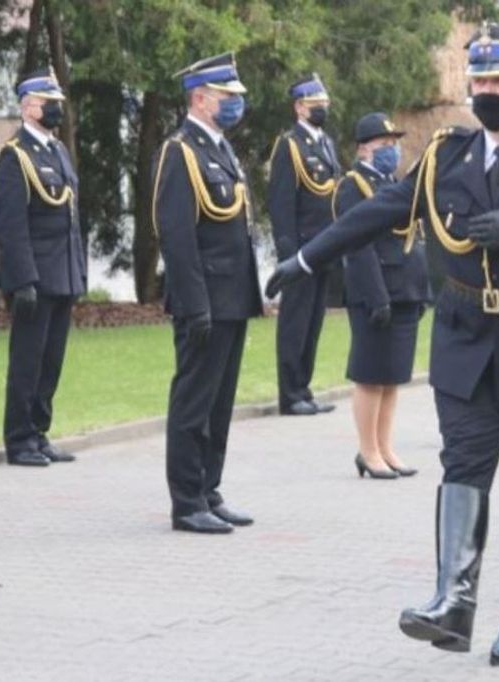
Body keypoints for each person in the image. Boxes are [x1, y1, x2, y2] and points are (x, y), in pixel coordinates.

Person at [267, 24, 499, 665]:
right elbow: (380, 210)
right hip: (468, 341)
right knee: (464, 462)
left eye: (497, 81)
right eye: (478, 81)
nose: (485, 91)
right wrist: (304, 259)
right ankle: (454, 600)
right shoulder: (448, 157)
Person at [153, 53, 262, 534]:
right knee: (194, 399)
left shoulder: (219, 149)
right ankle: (186, 500)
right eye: (227, 96)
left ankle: (209, 487)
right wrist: (194, 304)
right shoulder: (180, 151)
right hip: (205, 301)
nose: (236, 104)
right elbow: (177, 236)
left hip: (232, 296)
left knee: (220, 402)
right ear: (200, 98)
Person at [0, 67, 86, 467]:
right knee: (28, 360)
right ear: (29, 107)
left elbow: (71, 219)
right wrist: (22, 279)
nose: (56, 109)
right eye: (50, 102)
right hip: (35, 277)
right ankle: (19, 438)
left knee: (52, 360)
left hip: (61, 272)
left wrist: (77, 272)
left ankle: (40, 430)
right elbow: (11, 224)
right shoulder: (15, 156)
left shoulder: (56, 151)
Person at [332, 112, 430, 479]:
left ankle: (385, 447)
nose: (392, 150)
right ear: (363, 149)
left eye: (394, 144)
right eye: (384, 145)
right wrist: (376, 296)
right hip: (375, 292)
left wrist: (422, 290)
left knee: (392, 377)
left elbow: (414, 238)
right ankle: (367, 450)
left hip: (404, 289)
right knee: (371, 376)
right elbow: (357, 245)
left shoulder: (395, 184)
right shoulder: (354, 186)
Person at [268, 73, 341, 416]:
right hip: (300, 250)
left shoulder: (325, 142)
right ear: (299, 107)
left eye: (324, 105)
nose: (321, 110)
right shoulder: (289, 144)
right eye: (315, 105)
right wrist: (288, 253)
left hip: (324, 246)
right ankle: (290, 393)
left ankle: (305, 387)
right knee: (295, 322)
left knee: (314, 321)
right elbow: (281, 202)